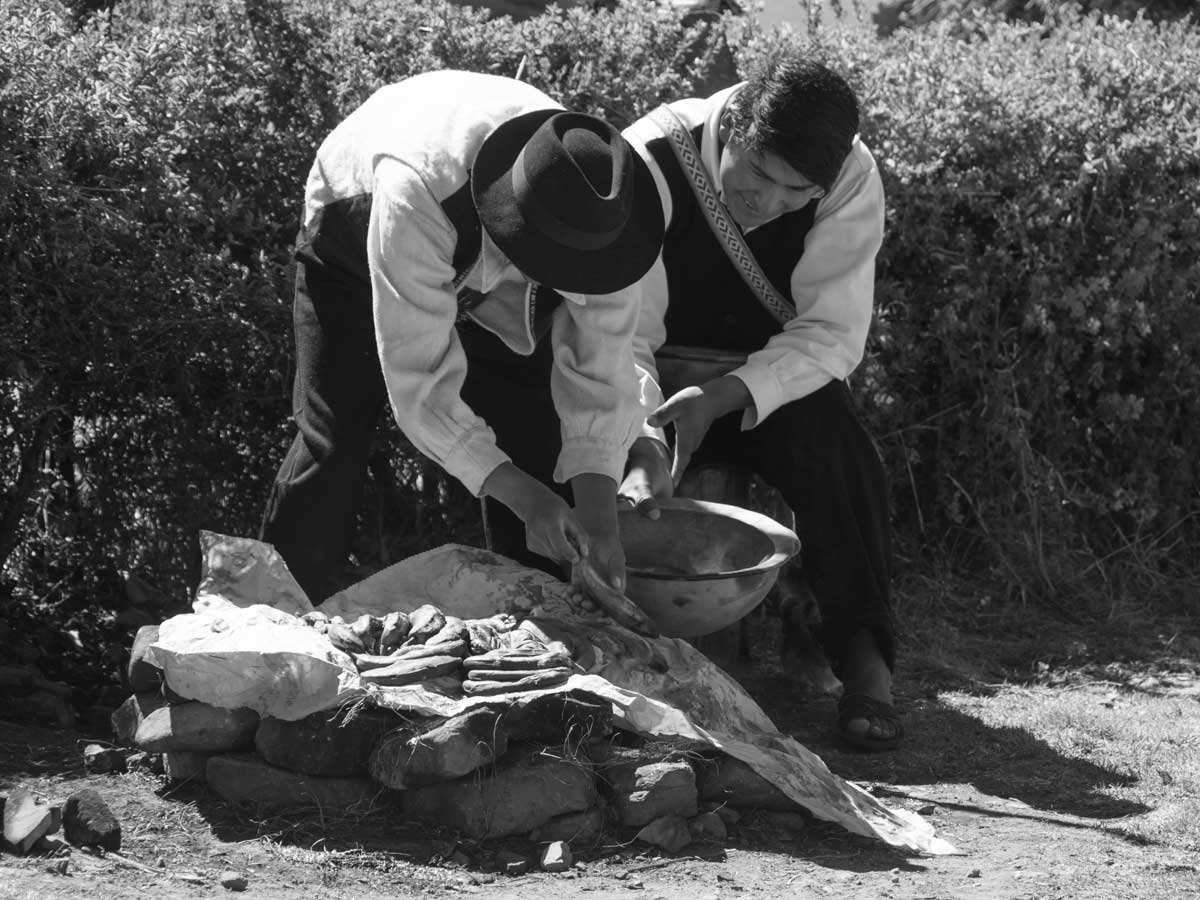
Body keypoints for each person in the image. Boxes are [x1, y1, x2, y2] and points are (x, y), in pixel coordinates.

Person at [260, 70, 664, 604]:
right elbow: (421, 385)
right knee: (333, 436)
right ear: (512, 229)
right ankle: (272, 621)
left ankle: (541, 628)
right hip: (354, 229)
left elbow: (602, 367)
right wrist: (525, 498)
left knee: (532, 427)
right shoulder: (418, 190)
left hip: (485, 228)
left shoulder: (606, 217)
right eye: (557, 269)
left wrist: (598, 520)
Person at [617, 52, 901, 751]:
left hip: (766, 387)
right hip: (644, 387)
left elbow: (830, 334)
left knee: (838, 449)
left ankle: (866, 663)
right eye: (756, 175)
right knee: (568, 442)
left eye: (794, 191)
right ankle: (590, 653)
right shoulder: (648, 159)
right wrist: (645, 438)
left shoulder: (849, 175)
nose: (768, 202)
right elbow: (615, 333)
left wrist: (721, 397)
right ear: (734, 123)